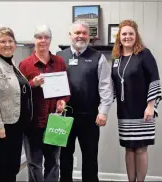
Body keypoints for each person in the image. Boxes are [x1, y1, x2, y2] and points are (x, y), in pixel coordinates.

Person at [56, 20, 114, 182]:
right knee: (64, 157)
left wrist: (103, 112)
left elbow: (106, 87)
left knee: (90, 157)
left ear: (89, 36)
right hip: (64, 117)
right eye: (77, 33)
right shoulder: (59, 57)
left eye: (84, 33)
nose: (80, 36)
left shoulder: (98, 58)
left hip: (89, 117)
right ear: (70, 36)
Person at [110, 19, 162, 182]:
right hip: (124, 111)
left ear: (136, 36)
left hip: (142, 110)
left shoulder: (144, 54)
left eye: (131, 33)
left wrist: (151, 106)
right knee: (129, 148)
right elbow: (112, 84)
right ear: (119, 37)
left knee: (140, 149)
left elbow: (155, 79)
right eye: (124, 34)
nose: (127, 37)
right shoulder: (116, 58)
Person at [19, 25, 70, 182]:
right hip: (32, 123)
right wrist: (32, 83)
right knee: (34, 164)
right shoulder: (25, 64)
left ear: (50, 40)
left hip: (54, 121)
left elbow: (66, 91)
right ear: (34, 40)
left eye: (46, 37)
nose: (43, 40)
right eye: (39, 37)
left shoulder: (59, 62)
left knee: (53, 162)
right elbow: (19, 93)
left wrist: (63, 101)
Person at [0, 27, 33, 182]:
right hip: (2, 128)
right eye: (3, 41)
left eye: (10, 41)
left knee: (12, 168)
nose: (7, 44)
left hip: (16, 126)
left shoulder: (11, 64)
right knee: (1, 170)